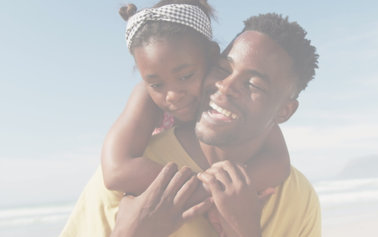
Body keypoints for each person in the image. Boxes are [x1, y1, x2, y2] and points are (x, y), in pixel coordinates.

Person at [60, 1, 294, 236]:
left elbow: (279, 161)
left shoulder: (231, 105)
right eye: (156, 84)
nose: (172, 95)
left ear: (212, 56)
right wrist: (206, 190)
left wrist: (230, 192)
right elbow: (116, 171)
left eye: (185, 76)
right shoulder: (146, 97)